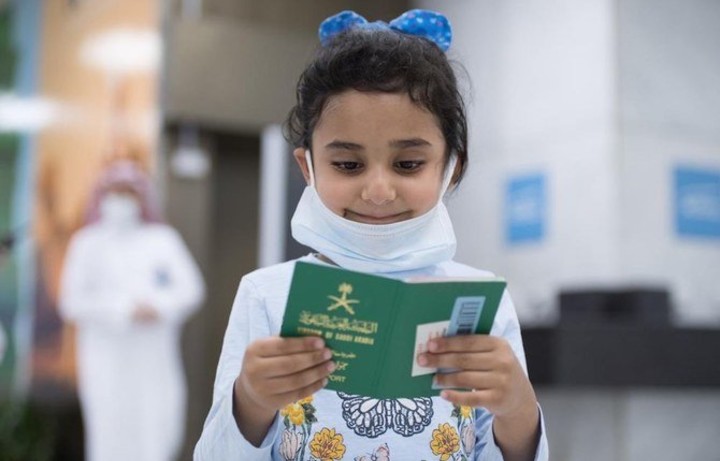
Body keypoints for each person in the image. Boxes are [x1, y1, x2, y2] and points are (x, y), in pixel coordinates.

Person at [195, 9, 548, 461]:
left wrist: (517, 409)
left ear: (451, 168)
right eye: (348, 164)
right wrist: (250, 401)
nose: (378, 191)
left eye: (408, 164)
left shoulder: (479, 303)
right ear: (308, 167)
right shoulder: (267, 296)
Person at [59, 160, 205, 461]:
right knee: (110, 432)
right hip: (106, 360)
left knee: (159, 429)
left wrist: (158, 307)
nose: (121, 200)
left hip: (153, 360)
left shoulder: (163, 240)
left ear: (142, 197)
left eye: (128, 192)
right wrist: (123, 309)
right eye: (114, 191)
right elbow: (71, 302)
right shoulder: (87, 243)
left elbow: (192, 289)